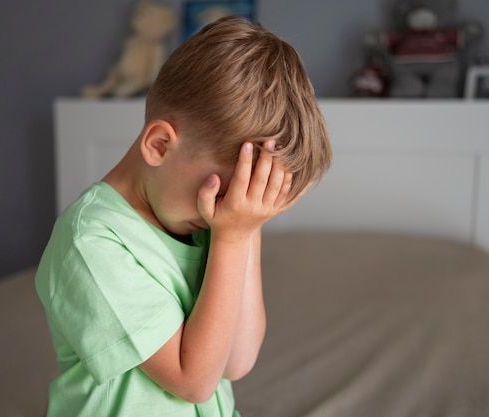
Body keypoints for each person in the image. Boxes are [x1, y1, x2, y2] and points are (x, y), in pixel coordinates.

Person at [36, 16, 331, 416]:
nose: (226, 213)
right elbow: (193, 381)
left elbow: (237, 362)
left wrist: (244, 230)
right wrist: (230, 237)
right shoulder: (91, 239)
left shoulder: (220, 226)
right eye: (226, 193)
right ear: (159, 145)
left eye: (245, 199)